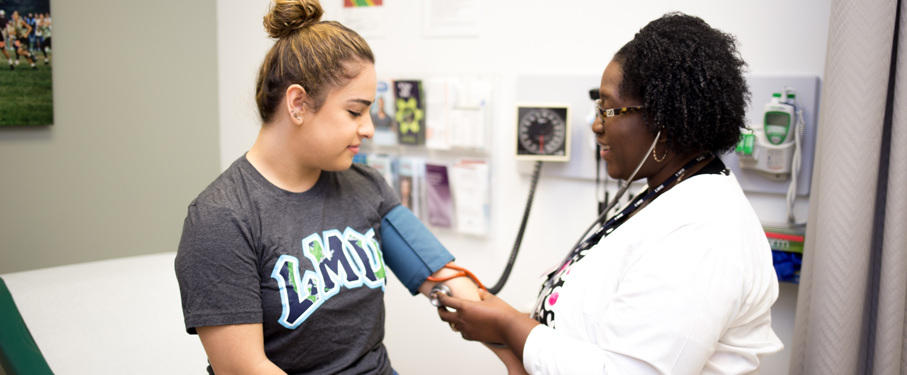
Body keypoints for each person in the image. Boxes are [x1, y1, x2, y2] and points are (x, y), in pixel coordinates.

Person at [437, 12, 784, 375]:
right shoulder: (666, 194)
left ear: (663, 121)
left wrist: (507, 325)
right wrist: (504, 334)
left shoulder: (704, 230)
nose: (597, 124)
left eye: (608, 108)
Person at [175, 1, 480, 374]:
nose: (369, 128)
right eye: (355, 111)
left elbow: (444, 281)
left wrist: (518, 344)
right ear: (299, 103)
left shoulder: (365, 186)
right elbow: (245, 369)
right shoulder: (221, 219)